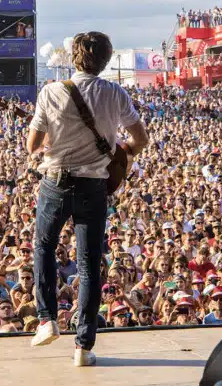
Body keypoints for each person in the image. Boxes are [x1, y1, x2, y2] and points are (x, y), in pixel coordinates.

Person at [27, 31, 149, 367]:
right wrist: (121, 153)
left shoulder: (51, 91)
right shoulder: (114, 92)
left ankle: (47, 319)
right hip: (94, 186)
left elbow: (32, 145)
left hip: (55, 181)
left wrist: (55, 139)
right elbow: (140, 139)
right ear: (107, 60)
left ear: (72, 58)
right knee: (89, 265)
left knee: (44, 247)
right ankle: (83, 347)